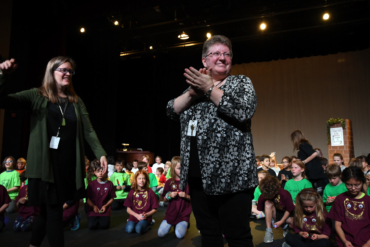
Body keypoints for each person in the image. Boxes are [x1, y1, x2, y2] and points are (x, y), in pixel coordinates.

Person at [0, 57, 107, 247]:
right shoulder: (36, 95)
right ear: (51, 71)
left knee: (48, 211)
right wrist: (1, 75)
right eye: (63, 70)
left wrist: (100, 153)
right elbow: (3, 101)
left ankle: (33, 245)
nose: (68, 73)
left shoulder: (75, 101)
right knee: (54, 211)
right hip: (44, 166)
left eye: (70, 71)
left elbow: (88, 130)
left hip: (66, 166)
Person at [166, 35, 257, 246]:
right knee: (209, 234)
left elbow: (244, 111)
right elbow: (171, 110)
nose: (222, 57)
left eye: (226, 54)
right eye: (216, 53)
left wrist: (209, 89)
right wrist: (192, 92)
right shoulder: (193, 91)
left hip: (233, 179)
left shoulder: (240, 82)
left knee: (238, 236)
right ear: (204, 60)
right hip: (199, 180)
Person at [327, 166, 370, 247]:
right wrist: (345, 241)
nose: (353, 188)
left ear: (362, 182)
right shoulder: (340, 199)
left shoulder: (368, 200)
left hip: (365, 241)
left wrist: (367, 244)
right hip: (345, 241)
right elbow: (337, 225)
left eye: (357, 185)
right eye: (349, 185)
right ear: (344, 183)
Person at [158, 156, 192, 238]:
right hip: (171, 213)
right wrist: (169, 195)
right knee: (160, 234)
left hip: (183, 214)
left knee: (179, 235)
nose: (182, 170)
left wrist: (186, 196)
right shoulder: (169, 182)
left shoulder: (188, 181)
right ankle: (175, 224)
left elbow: (195, 199)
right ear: (173, 168)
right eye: (179, 168)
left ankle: (185, 224)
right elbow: (164, 199)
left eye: (184, 168)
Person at [257, 175, 295, 243]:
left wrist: (282, 221)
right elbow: (260, 209)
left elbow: (289, 209)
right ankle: (268, 230)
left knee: (294, 223)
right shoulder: (263, 195)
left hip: (286, 214)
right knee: (267, 202)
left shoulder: (284, 193)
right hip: (275, 214)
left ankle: (286, 228)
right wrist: (270, 216)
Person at [291, 130, 327, 195]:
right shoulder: (303, 146)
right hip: (312, 173)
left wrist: (304, 161)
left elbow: (315, 153)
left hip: (314, 174)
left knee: (317, 193)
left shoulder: (303, 145)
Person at [124, 170, 158, 234]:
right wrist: (137, 216)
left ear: (146, 180)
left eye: (144, 178)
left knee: (138, 229)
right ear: (136, 180)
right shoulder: (132, 192)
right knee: (129, 230)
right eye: (139, 178)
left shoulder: (150, 192)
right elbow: (128, 209)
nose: (141, 180)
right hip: (134, 216)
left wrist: (147, 215)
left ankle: (150, 223)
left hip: (145, 217)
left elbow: (155, 209)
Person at [86, 161, 115, 230]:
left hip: (104, 209)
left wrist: (106, 206)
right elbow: (87, 198)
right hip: (94, 209)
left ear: (106, 172)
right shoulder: (91, 184)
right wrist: (93, 206)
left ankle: (102, 218)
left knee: (104, 226)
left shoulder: (110, 184)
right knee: (91, 226)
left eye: (102, 171)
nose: (100, 173)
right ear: (94, 173)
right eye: (98, 171)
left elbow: (112, 198)